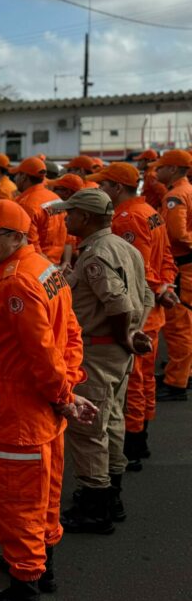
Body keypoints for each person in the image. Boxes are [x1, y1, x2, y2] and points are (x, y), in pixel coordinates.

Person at [0, 201, 88, 601]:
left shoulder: (16, 282)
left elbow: (42, 354)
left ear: (17, 237)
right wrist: (65, 392)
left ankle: (23, 597)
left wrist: (62, 392)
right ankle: (39, 568)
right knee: (44, 498)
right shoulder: (44, 269)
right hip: (43, 411)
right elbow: (70, 333)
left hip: (20, 413)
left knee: (17, 508)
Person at [62, 189, 154, 534]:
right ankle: (111, 495)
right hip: (115, 353)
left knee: (89, 429)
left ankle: (95, 505)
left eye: (71, 213)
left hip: (97, 351)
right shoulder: (124, 247)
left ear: (85, 218)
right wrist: (133, 334)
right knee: (112, 419)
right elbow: (144, 295)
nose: (66, 219)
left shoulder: (96, 255)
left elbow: (117, 302)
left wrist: (122, 335)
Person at [94, 162, 178, 470]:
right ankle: (139, 438)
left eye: (104, 185)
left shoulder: (128, 218)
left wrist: (158, 289)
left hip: (139, 311)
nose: (101, 190)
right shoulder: (150, 212)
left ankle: (133, 442)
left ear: (116, 188)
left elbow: (136, 270)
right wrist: (165, 286)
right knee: (143, 380)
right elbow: (166, 257)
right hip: (152, 310)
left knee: (133, 381)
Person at [153, 149, 192, 402]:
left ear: (174, 169)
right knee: (184, 322)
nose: (157, 171)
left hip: (181, 266)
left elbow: (177, 234)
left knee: (179, 326)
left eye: (161, 167)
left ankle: (177, 383)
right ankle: (180, 375)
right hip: (186, 266)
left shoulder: (176, 195)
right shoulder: (185, 191)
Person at [12, 156, 66, 263]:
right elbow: (68, 236)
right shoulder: (56, 198)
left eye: (17, 175)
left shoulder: (26, 204)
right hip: (55, 263)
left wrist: (47, 266)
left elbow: (30, 244)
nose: (14, 179)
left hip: (37, 265)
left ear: (23, 177)